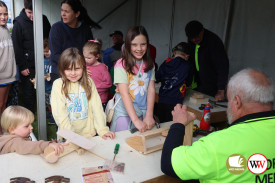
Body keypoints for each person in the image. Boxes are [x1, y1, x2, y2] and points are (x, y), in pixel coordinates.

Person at [161, 68, 275, 182]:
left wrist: (178, 123)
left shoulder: (219, 145)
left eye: (229, 100)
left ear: (237, 102)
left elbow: (168, 163)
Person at [51, 47, 115, 139]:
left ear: (83, 67)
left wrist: (102, 130)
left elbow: (97, 107)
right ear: (62, 69)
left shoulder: (89, 82)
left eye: (77, 68)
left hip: (89, 134)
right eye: (68, 69)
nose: (73, 73)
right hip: (67, 136)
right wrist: (70, 135)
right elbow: (59, 113)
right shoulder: (58, 85)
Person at [110, 26, 155, 133]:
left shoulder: (150, 64)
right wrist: (135, 120)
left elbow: (151, 90)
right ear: (128, 45)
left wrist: (149, 115)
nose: (139, 49)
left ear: (147, 44)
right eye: (134, 45)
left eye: (143, 44)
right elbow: (124, 93)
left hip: (142, 113)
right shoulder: (121, 64)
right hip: (124, 113)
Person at [12, 0, 51, 114]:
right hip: (28, 65)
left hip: (44, 62)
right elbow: (17, 46)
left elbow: (50, 38)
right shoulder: (18, 23)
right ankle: (29, 114)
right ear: (24, 8)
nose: (33, 16)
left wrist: (49, 52)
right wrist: (22, 66)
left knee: (46, 88)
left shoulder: (43, 19)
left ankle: (47, 112)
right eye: (30, 12)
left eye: (35, 12)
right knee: (28, 91)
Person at [49, 0, 100, 82]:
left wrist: (98, 64)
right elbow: (55, 55)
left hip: (80, 72)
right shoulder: (56, 28)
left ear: (77, 14)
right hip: (61, 73)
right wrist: (75, 68)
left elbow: (91, 50)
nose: (63, 14)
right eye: (62, 10)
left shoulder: (85, 29)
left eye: (67, 11)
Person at [185, 20, 229, 101]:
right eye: (191, 38)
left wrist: (221, 89)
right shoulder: (192, 40)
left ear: (202, 31)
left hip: (210, 83)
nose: (194, 40)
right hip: (196, 82)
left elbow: (222, 66)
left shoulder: (214, 41)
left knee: (206, 106)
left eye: (197, 36)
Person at [0, 106, 64, 155]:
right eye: (26, 126)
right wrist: (47, 145)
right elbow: (28, 146)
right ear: (12, 129)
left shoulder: (10, 138)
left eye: (31, 124)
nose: (31, 127)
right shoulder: (14, 142)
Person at [156, 42, 192, 123]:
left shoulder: (166, 63)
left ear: (174, 53)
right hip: (176, 104)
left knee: (160, 124)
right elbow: (189, 83)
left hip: (162, 100)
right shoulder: (187, 66)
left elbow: (156, 78)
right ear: (187, 56)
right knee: (171, 126)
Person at [0, 1, 17, 135]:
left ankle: (3, 132)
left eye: (5, 14)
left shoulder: (5, 29)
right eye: (0, 14)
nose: (3, 17)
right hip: (1, 77)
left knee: (4, 105)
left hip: (9, 76)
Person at [83, 39, 112, 110]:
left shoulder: (102, 68)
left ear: (97, 56)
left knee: (99, 119)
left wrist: (93, 87)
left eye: (89, 58)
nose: (86, 59)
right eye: (84, 57)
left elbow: (108, 84)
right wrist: (82, 71)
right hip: (86, 99)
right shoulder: (83, 66)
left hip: (100, 100)